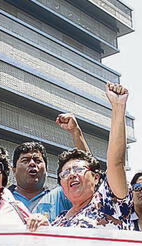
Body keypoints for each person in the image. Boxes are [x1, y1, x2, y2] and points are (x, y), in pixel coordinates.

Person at [51, 82, 131, 228]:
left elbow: (115, 163)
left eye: (78, 170)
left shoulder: (108, 202)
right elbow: (87, 163)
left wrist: (118, 107)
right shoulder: (58, 221)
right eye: (66, 173)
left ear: (96, 177)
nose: (72, 175)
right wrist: (75, 132)